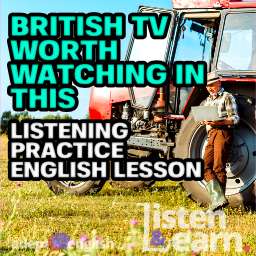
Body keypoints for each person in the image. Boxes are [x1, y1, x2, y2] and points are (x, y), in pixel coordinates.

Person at [202, 73, 240, 211]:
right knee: (203, 167)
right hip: (211, 133)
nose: (209, 88)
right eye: (207, 86)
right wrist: (204, 120)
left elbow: (235, 118)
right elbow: (207, 119)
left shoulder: (227, 97)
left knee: (218, 167)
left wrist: (219, 121)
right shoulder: (207, 100)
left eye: (211, 85)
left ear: (218, 83)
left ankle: (218, 207)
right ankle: (218, 200)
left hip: (222, 132)